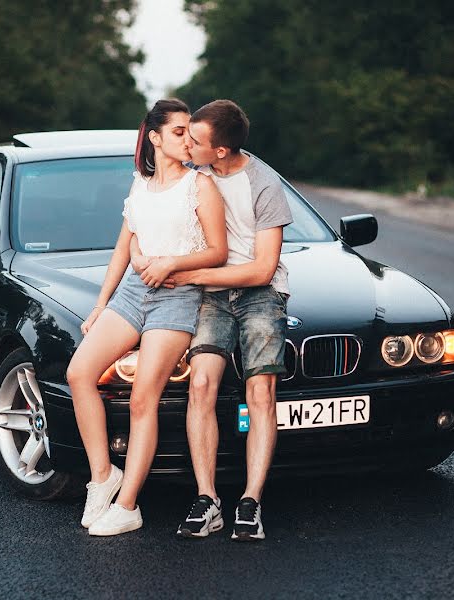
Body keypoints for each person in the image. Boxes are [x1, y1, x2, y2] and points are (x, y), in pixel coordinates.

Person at [65, 99, 228, 537]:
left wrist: (169, 263)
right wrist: (101, 304)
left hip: (177, 295)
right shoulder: (139, 185)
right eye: (178, 132)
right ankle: (103, 476)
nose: (188, 140)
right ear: (154, 137)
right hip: (134, 293)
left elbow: (218, 251)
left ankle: (128, 504)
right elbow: (123, 248)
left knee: (143, 398)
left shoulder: (200, 185)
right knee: (79, 372)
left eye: (190, 133)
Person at [163, 99, 293, 542]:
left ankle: (251, 502)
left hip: (260, 295)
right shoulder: (195, 178)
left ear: (221, 151)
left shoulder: (264, 184)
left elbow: (262, 268)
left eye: (196, 141)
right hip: (213, 298)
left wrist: (192, 274)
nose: (187, 145)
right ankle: (208, 499)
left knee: (261, 390)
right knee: (200, 384)